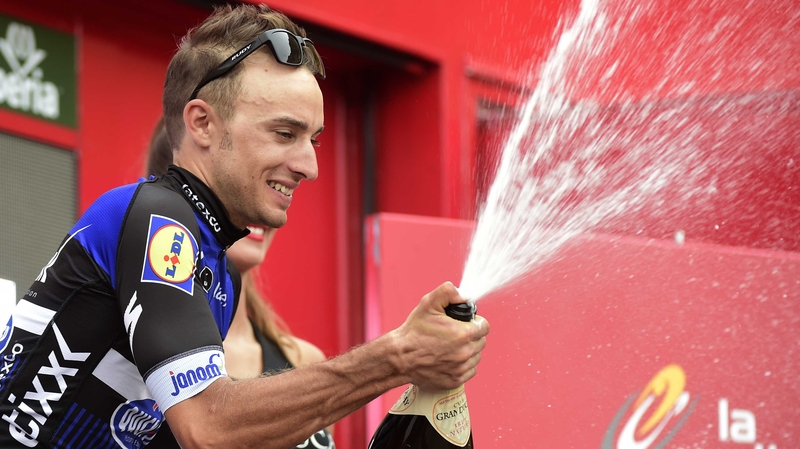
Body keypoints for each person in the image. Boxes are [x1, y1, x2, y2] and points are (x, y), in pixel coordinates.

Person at [0, 4, 489, 449]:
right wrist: (397, 355)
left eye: (313, 140)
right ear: (202, 123)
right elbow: (209, 428)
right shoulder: (161, 220)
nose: (308, 165)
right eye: (284, 133)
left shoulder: (219, 271)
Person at [145, 119, 335, 448]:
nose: (255, 210)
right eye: (231, 189)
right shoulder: (141, 350)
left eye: (267, 188)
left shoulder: (305, 360)